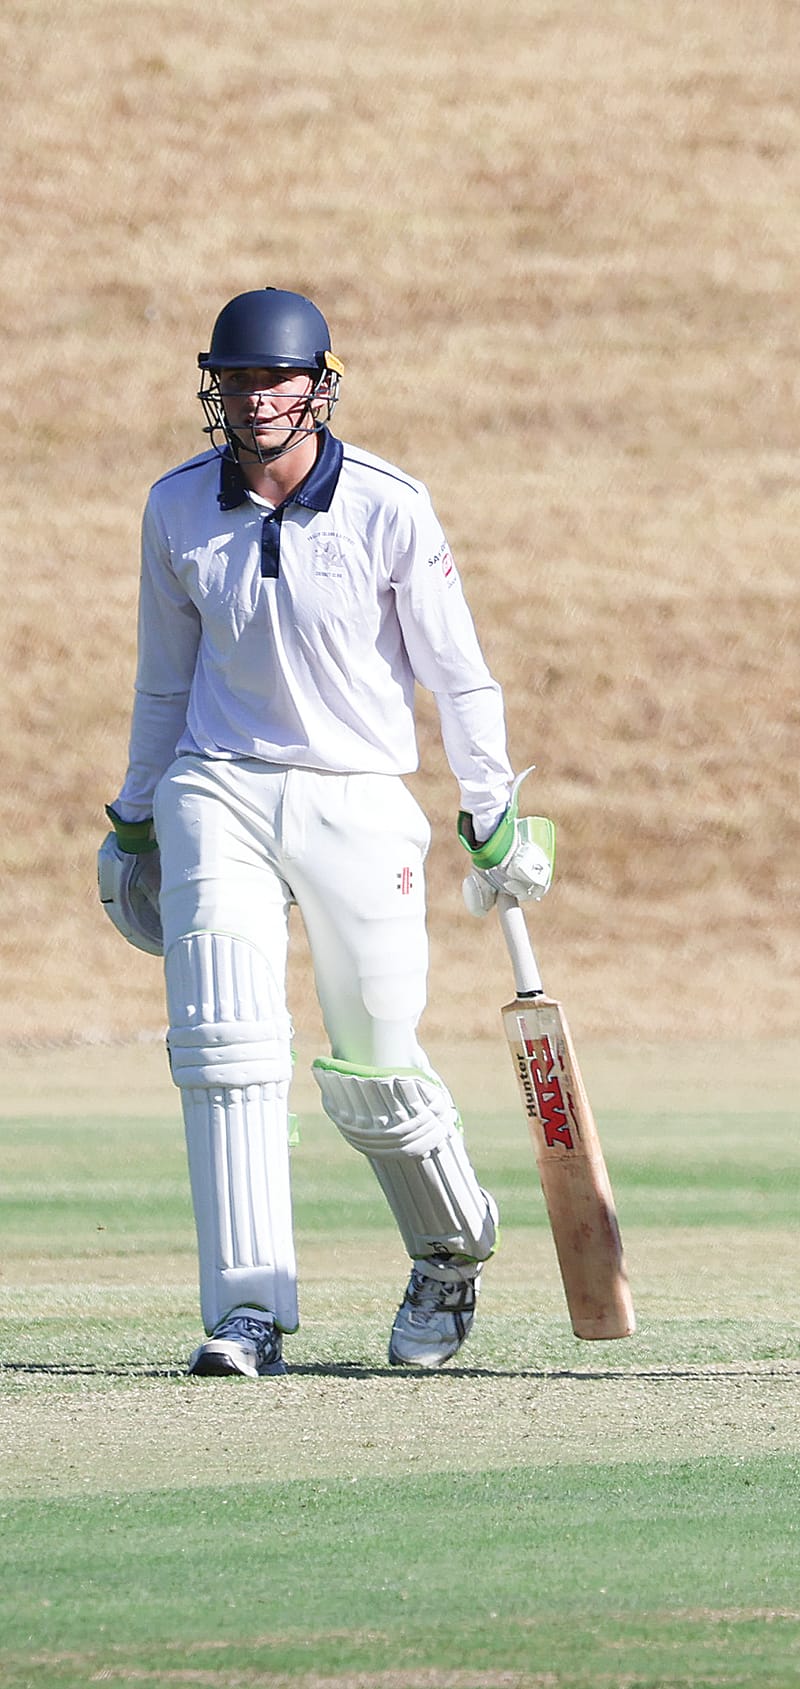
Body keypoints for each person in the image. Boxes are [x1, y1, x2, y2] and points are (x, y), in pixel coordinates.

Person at [97, 287, 556, 1377]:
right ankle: (246, 1312)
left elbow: (456, 671)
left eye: (275, 380)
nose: (254, 400)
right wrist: (133, 819)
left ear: (318, 386)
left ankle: (449, 1250)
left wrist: (490, 813)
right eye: (236, 381)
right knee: (225, 1047)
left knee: (375, 1071)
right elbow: (163, 684)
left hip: (357, 795)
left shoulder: (391, 505)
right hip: (217, 787)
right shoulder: (175, 508)